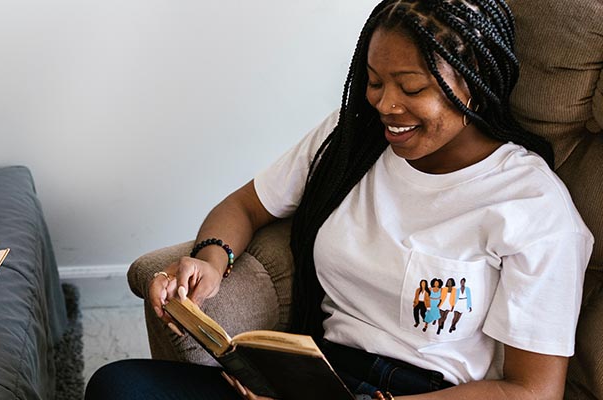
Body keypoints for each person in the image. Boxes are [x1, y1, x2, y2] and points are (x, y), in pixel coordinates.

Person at [86, 0, 592, 399]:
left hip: (426, 395)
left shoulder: (531, 208)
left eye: (411, 88)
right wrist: (212, 260)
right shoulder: (354, 140)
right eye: (374, 82)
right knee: (119, 385)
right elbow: (243, 206)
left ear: (475, 83)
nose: (386, 105)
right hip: (317, 373)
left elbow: (531, 391)